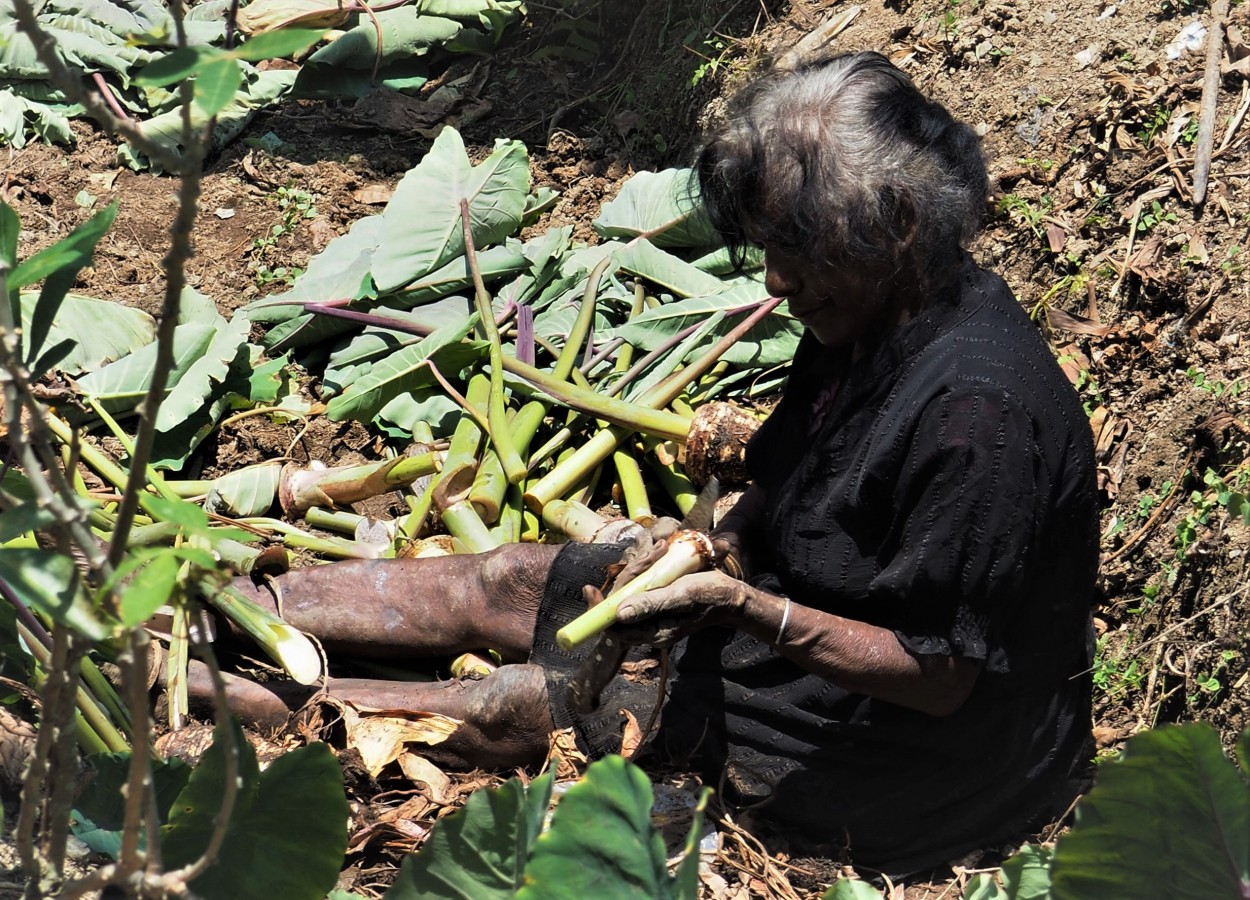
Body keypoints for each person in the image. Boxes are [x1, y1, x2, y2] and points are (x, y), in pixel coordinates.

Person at [203, 51, 1099, 875]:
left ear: (896, 227)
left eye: (795, 252)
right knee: (516, 578)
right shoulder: (862, 307)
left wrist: (750, 610)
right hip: (788, 620)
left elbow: (940, 677)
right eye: (769, 250)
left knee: (518, 705)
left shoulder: (979, 412)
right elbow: (780, 478)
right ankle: (221, 609)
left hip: (907, 752)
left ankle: (206, 700)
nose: (773, 283)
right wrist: (713, 547)